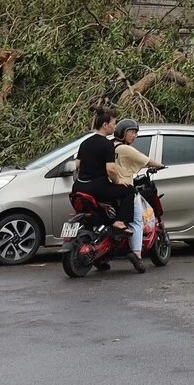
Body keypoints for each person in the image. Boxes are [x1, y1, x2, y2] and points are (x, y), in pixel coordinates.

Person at [73, 106, 141, 272]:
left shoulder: (85, 142)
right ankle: (119, 222)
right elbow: (110, 169)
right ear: (105, 124)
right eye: (113, 123)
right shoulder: (107, 144)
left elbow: (77, 165)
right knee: (128, 191)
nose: (115, 127)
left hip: (79, 187)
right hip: (97, 187)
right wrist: (118, 182)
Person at [109, 120, 165, 265]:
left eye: (135, 133)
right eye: (131, 132)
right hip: (124, 187)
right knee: (137, 220)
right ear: (122, 132)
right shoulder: (125, 149)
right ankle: (137, 255)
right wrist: (160, 166)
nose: (134, 136)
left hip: (109, 188)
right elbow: (146, 160)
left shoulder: (110, 146)